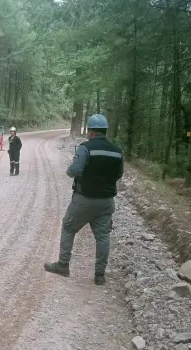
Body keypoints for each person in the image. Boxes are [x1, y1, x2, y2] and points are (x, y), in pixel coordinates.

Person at [44, 114, 124, 286]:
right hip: (106, 202)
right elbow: (119, 174)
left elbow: (74, 170)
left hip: (84, 199)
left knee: (68, 226)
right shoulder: (117, 151)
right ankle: (100, 275)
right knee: (103, 236)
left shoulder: (85, 148)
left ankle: (63, 265)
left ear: (91, 132)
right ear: (105, 131)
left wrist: (75, 171)